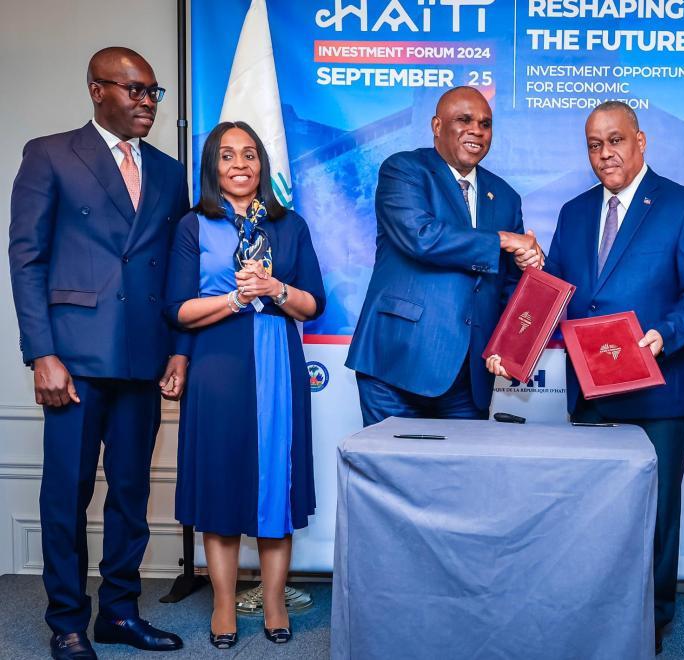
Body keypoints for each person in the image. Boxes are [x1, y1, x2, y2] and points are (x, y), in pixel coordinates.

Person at [489, 101, 684, 653]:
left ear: (641, 141)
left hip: (657, 388)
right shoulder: (573, 211)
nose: (605, 153)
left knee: (658, 513)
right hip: (591, 391)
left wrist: (664, 334)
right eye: (594, 144)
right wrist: (513, 350)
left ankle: (653, 621)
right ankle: (595, 613)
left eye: (615, 140)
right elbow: (556, 296)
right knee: (594, 513)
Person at [8, 47, 190, 660]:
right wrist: (42, 354)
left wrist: (179, 349)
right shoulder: (51, 153)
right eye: (134, 90)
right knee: (67, 493)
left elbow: (178, 274)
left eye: (153, 93)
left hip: (144, 357)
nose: (146, 102)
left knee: (132, 494)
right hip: (74, 362)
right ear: (96, 90)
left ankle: (117, 613)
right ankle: (66, 622)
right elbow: (26, 259)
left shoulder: (169, 172)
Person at [164, 122, 326, 649]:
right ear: (213, 165)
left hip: (278, 362)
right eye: (228, 155)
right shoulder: (194, 226)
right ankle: (223, 605)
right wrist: (234, 300)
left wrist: (276, 288)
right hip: (217, 368)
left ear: (263, 164)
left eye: (251, 154)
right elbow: (180, 310)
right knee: (221, 485)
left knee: (275, 489)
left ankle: (275, 602)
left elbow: (313, 304)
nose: (241, 164)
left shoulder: (289, 225)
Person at [346, 86, 541, 424]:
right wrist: (504, 241)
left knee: (461, 477)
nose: (476, 130)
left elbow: (509, 283)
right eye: (463, 120)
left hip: (469, 377)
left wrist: (529, 263)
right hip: (397, 365)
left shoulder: (506, 197)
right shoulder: (404, 170)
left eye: (485, 123)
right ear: (437, 126)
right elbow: (422, 238)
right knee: (391, 475)